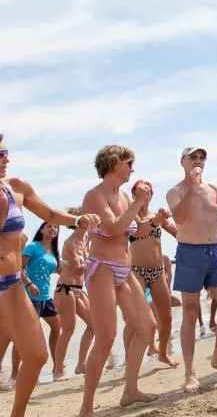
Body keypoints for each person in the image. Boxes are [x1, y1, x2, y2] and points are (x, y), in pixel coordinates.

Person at [0, 134, 99, 417]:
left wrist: (77, 220)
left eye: (6, 153)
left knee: (36, 355)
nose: (6, 159)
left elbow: (49, 213)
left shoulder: (16, 187)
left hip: (11, 284)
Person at [79, 145, 158, 417]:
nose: (132, 168)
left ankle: (130, 390)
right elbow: (112, 228)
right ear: (114, 165)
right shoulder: (94, 195)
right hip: (102, 268)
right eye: (129, 162)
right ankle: (86, 407)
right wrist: (137, 202)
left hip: (125, 268)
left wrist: (152, 218)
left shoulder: (124, 195)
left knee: (147, 327)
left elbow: (136, 230)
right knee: (106, 337)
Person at [166, 146, 217, 393]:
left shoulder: (213, 189)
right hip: (189, 251)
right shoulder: (175, 191)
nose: (199, 161)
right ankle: (189, 372)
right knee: (189, 312)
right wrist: (190, 187)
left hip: (215, 251)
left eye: (202, 158)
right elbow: (178, 218)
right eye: (194, 157)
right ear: (183, 162)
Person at [128, 179, 178, 367]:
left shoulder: (157, 216)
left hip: (157, 271)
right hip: (137, 271)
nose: (144, 194)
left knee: (166, 316)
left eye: (148, 191)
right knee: (135, 321)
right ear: (134, 195)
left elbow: (177, 233)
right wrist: (157, 219)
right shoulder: (131, 215)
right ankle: (129, 360)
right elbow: (137, 232)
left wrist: (179, 218)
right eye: (140, 191)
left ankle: (163, 353)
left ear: (151, 195)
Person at [53, 208, 94, 381]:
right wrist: (95, 260)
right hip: (65, 289)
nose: (90, 222)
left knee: (94, 325)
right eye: (86, 219)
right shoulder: (70, 243)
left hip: (79, 289)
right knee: (68, 329)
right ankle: (58, 370)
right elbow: (78, 269)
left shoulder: (86, 239)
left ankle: (81, 364)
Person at [18, 222, 62, 380]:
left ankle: (57, 367)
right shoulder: (33, 247)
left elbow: (59, 270)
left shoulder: (53, 251)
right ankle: (15, 374)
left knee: (57, 327)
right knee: (25, 335)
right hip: (30, 296)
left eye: (55, 227)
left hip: (46, 297)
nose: (53, 229)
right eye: (49, 226)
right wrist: (29, 283)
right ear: (41, 230)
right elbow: (19, 267)